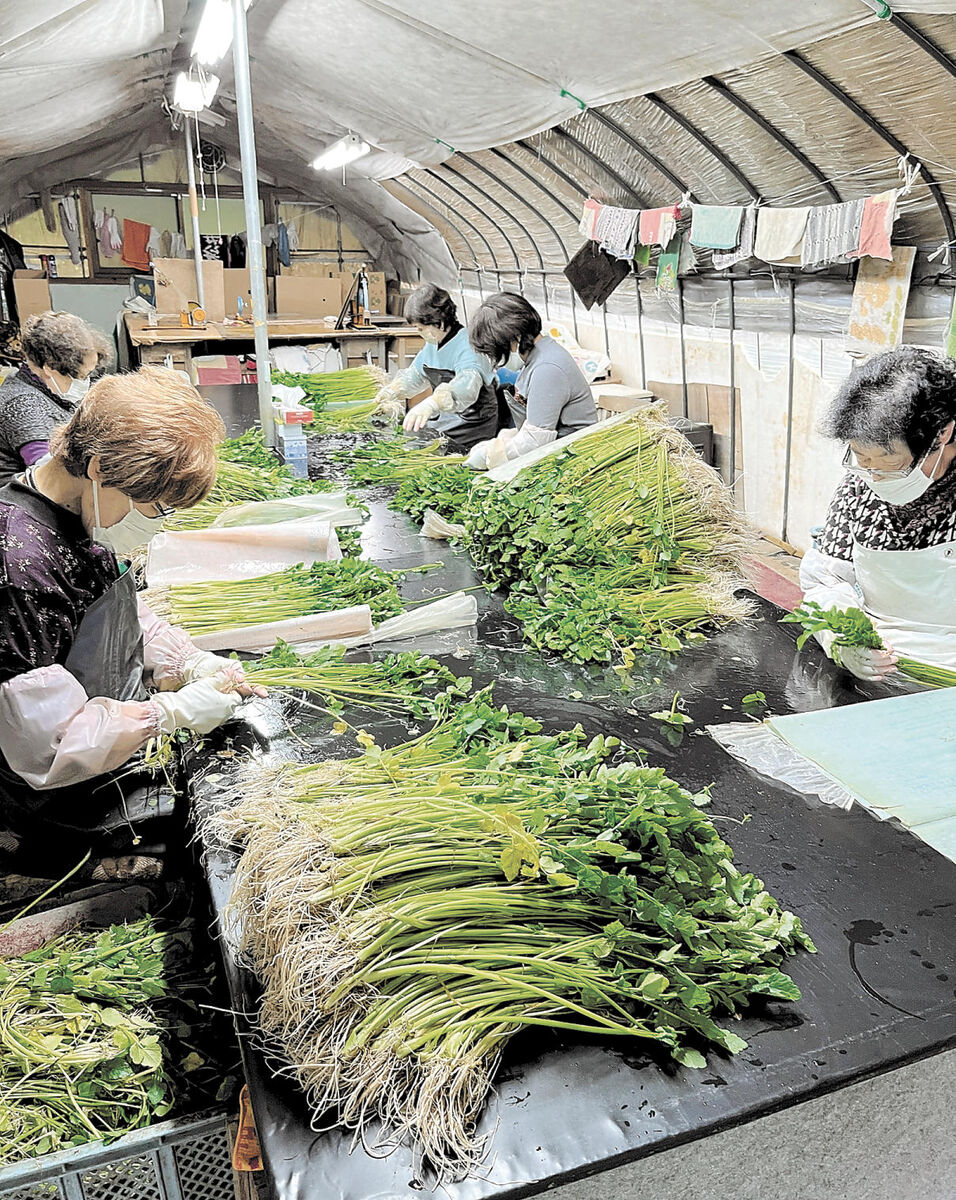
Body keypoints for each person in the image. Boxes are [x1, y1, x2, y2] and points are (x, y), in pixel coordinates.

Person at [0, 366, 266, 878]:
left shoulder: (81, 514)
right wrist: (168, 715)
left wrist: (185, 663)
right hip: (66, 799)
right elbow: (45, 747)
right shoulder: (22, 568)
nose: (151, 523)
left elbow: (117, 612)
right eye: (152, 507)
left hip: (114, 748)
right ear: (99, 466)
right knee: (216, 832)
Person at [800, 346, 956, 679]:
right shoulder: (857, 489)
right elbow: (825, 583)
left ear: (942, 434)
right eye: (861, 457)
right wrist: (842, 639)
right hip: (881, 665)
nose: (874, 475)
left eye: (889, 461)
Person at [465, 292, 597, 469]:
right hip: (556, 453)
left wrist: (491, 454)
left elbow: (536, 441)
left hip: (572, 461)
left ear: (515, 338)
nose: (496, 362)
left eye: (495, 352)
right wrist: (506, 439)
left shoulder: (547, 368)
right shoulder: (536, 358)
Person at [372, 284, 498, 450]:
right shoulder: (433, 344)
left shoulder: (468, 346)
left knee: (419, 445)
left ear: (439, 321)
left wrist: (433, 403)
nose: (419, 332)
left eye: (421, 328)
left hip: (473, 422)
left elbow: (466, 389)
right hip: (449, 417)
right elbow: (415, 375)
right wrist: (393, 391)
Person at [0, 310, 113, 486]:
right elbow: (51, 475)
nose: (85, 382)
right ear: (49, 369)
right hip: (25, 500)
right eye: (81, 376)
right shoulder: (23, 405)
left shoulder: (51, 388)